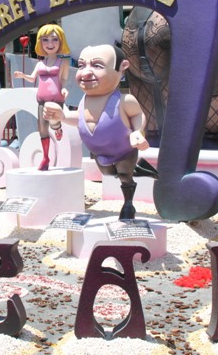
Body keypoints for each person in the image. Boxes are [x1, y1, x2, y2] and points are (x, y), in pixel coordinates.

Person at [44, 44, 149, 220]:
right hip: (100, 154)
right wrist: (62, 116)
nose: (85, 73)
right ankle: (140, 169)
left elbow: (137, 115)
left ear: (121, 68)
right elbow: (79, 118)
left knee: (124, 175)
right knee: (109, 173)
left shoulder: (124, 100)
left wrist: (138, 132)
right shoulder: (84, 100)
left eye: (97, 65)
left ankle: (128, 204)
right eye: (82, 66)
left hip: (123, 151)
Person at [13, 23, 71, 171]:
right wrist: (22, 75)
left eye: (54, 39)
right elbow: (33, 79)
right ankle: (45, 157)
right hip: (41, 100)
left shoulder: (63, 62)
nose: (50, 44)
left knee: (53, 123)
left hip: (56, 99)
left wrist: (64, 89)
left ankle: (57, 129)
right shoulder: (39, 64)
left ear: (60, 41)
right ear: (40, 42)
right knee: (42, 129)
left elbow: (63, 79)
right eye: (45, 40)